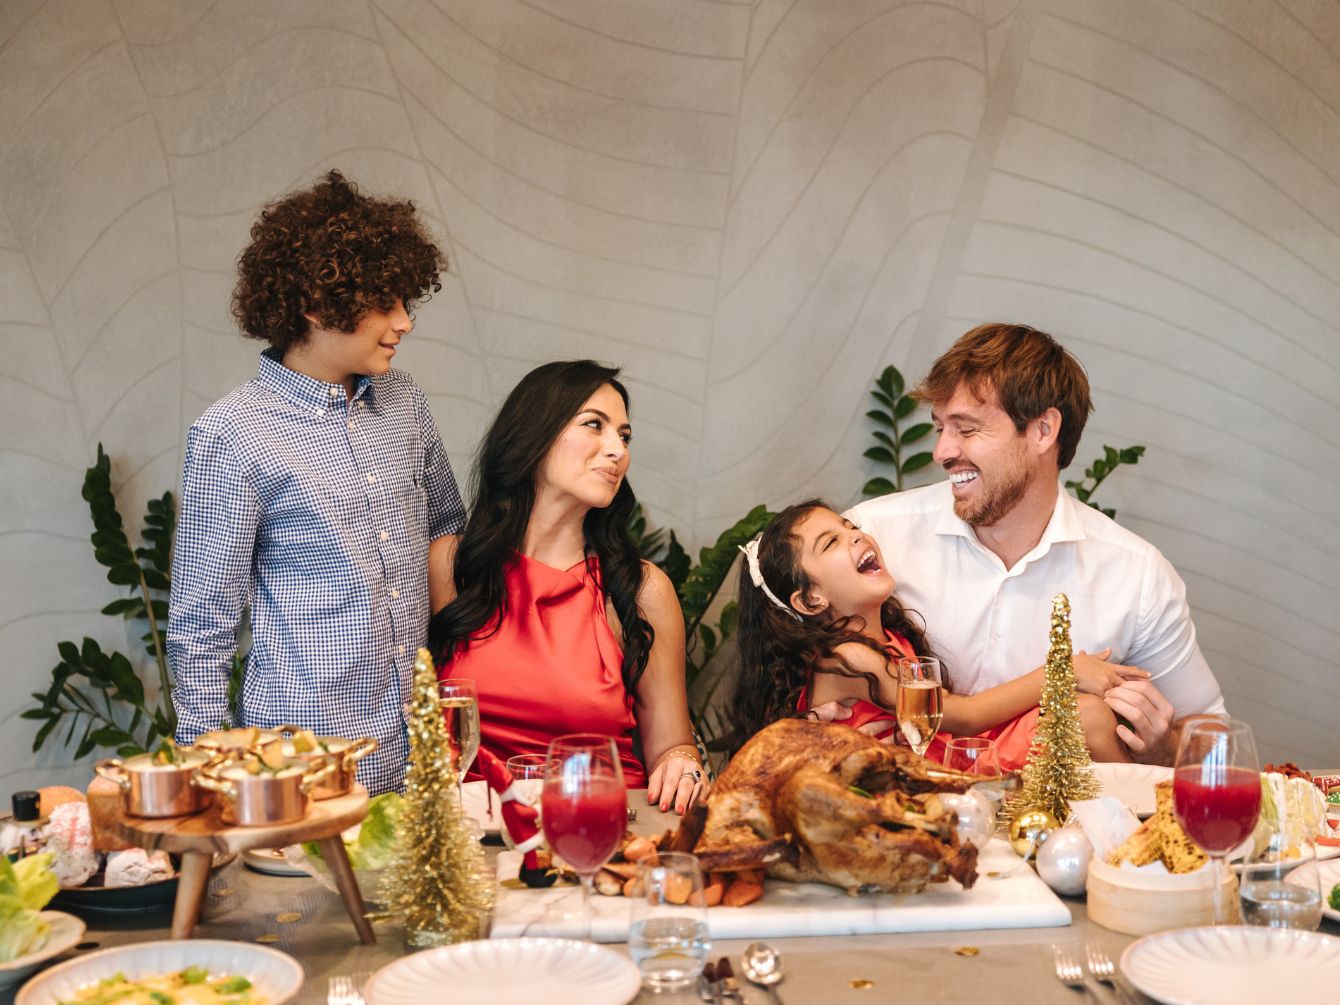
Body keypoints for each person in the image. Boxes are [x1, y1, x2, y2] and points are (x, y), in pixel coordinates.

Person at [168, 170, 465, 795]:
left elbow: (448, 534)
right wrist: (209, 781)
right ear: (316, 303)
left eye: (406, 302)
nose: (405, 322)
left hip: (421, 757)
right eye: (386, 304)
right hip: (305, 766)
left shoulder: (405, 402)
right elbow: (201, 627)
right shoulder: (232, 434)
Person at [845, 323, 1226, 764]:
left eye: (966, 429)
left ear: (1043, 430)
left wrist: (1165, 747)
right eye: (940, 429)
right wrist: (814, 713)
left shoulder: (1137, 575)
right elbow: (796, 668)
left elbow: (1214, 735)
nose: (942, 452)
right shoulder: (871, 538)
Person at [429, 360, 706, 815]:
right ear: (534, 435)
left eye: (625, 436)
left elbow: (672, 746)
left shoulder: (639, 590)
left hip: (596, 826)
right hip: (473, 832)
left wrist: (684, 766)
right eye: (594, 425)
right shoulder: (452, 565)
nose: (617, 450)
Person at [728, 501, 1137, 766]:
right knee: (1087, 716)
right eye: (831, 541)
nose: (855, 534)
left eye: (849, 526)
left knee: (1086, 713)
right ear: (810, 599)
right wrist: (1061, 671)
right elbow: (963, 717)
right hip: (943, 777)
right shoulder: (848, 658)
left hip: (950, 760)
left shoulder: (891, 637)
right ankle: (1137, 835)